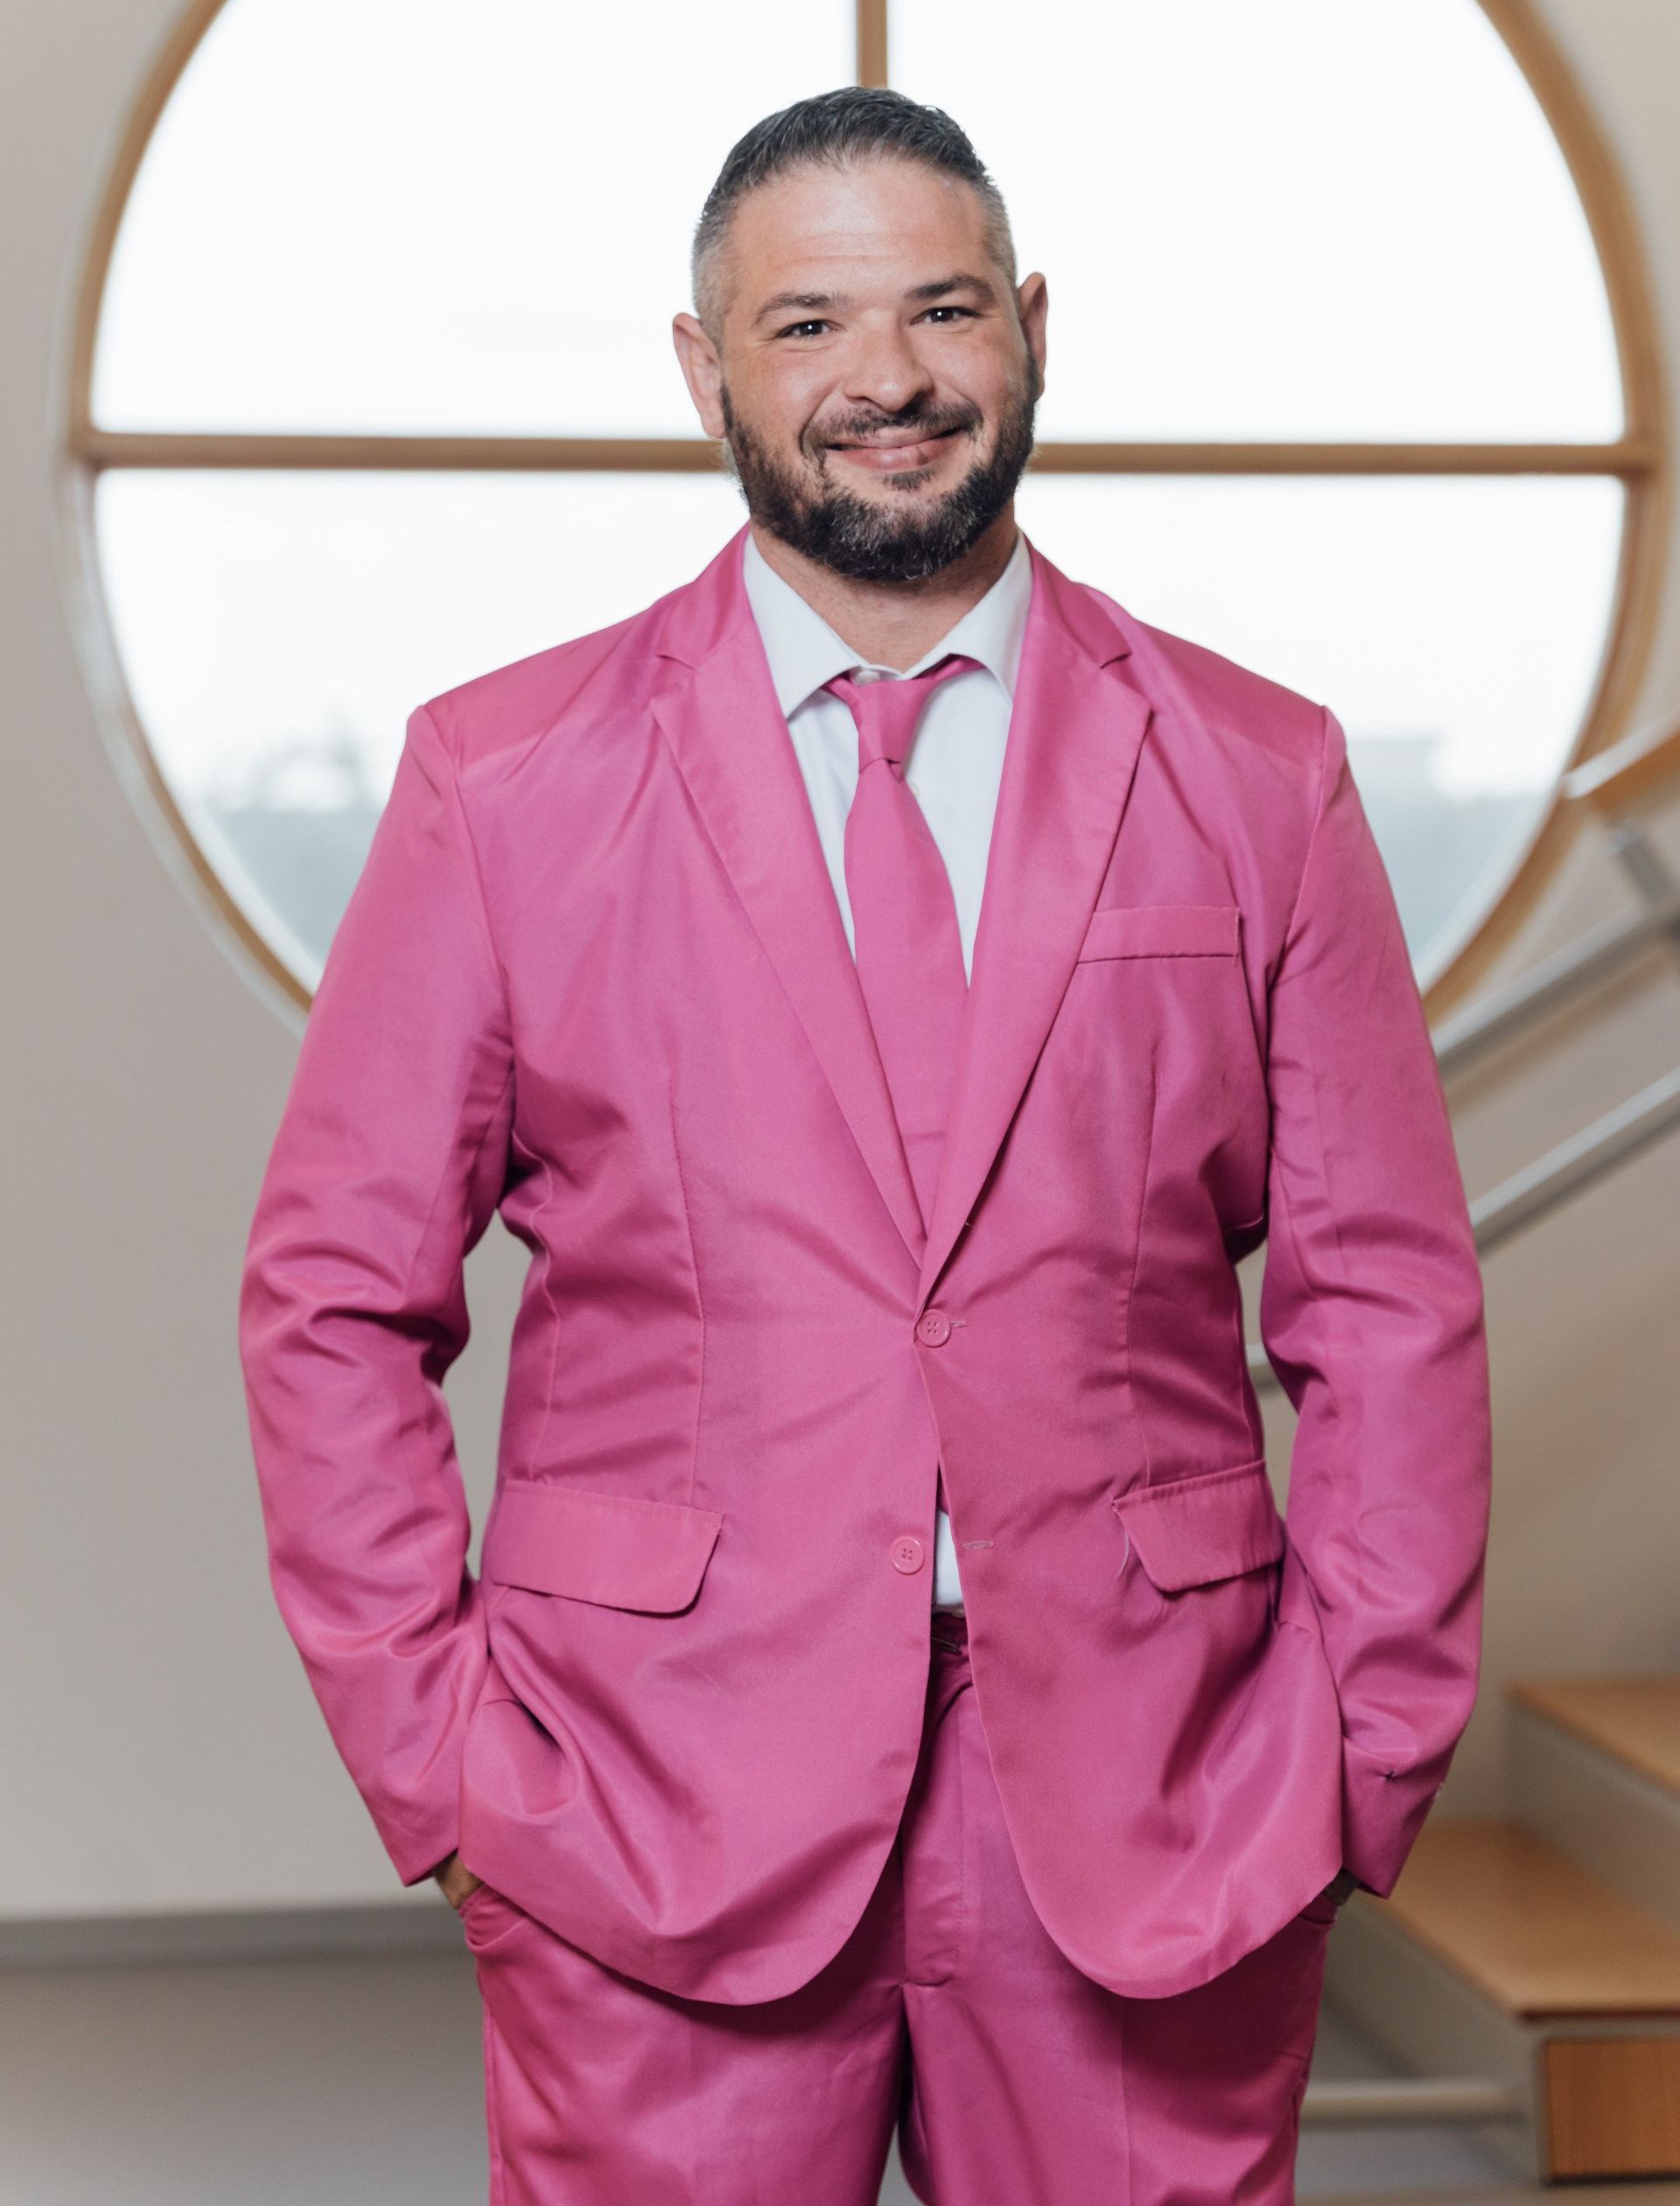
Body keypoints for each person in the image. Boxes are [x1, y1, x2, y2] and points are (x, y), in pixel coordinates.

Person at [238, 84, 1492, 2205]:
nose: (888, 380)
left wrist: (1358, 1753)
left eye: (942, 311)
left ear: (1031, 328)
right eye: (808, 326)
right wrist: (439, 1758)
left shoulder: (1260, 773)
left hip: (1155, 1788)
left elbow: (1386, 1306)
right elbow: (331, 1306)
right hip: (641, 1786)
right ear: (702, 365)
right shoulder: (507, 781)